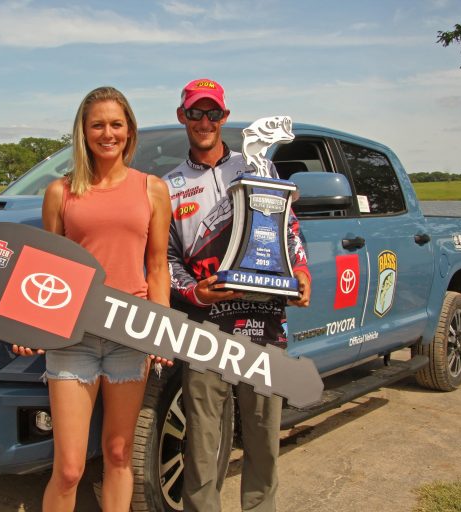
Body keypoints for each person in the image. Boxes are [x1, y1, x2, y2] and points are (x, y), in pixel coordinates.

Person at [12, 86, 172, 512]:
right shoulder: (59, 193)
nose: (107, 133)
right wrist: (27, 327)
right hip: (72, 339)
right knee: (68, 468)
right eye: (97, 124)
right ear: (83, 131)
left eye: (116, 124)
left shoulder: (152, 189)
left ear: (129, 130)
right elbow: (45, 270)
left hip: (130, 336)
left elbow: (157, 266)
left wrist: (163, 331)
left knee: (120, 455)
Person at [164, 78, 312, 512]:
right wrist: (193, 291)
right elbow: (165, 258)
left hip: (263, 320)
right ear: (183, 117)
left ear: (225, 118)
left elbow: (290, 232)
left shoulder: (258, 168)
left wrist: (300, 271)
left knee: (264, 437)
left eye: (213, 113)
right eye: (196, 112)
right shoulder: (168, 185)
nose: (205, 121)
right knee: (203, 441)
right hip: (205, 324)